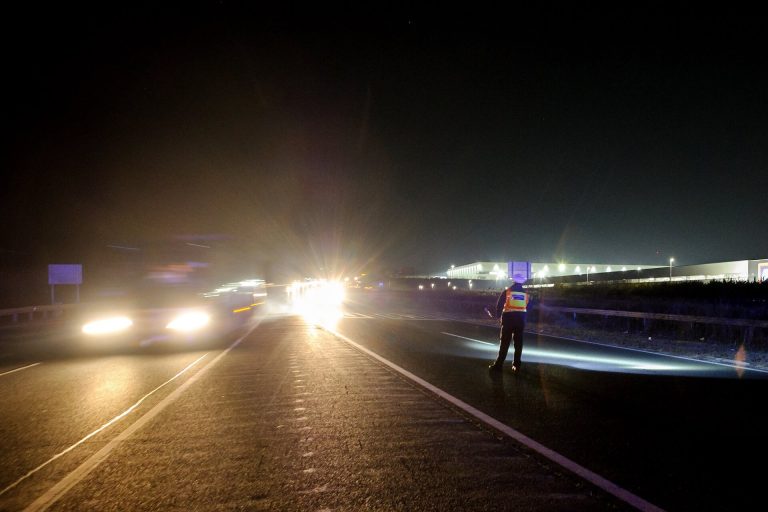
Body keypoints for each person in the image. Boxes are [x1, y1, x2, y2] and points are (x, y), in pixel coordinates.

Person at [489, 273, 530, 373]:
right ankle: (517, 365)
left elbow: (499, 306)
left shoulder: (507, 292)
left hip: (508, 321)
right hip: (520, 321)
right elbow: (529, 307)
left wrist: (498, 316)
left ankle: (499, 365)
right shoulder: (526, 294)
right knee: (518, 344)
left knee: (504, 343)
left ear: (513, 281)